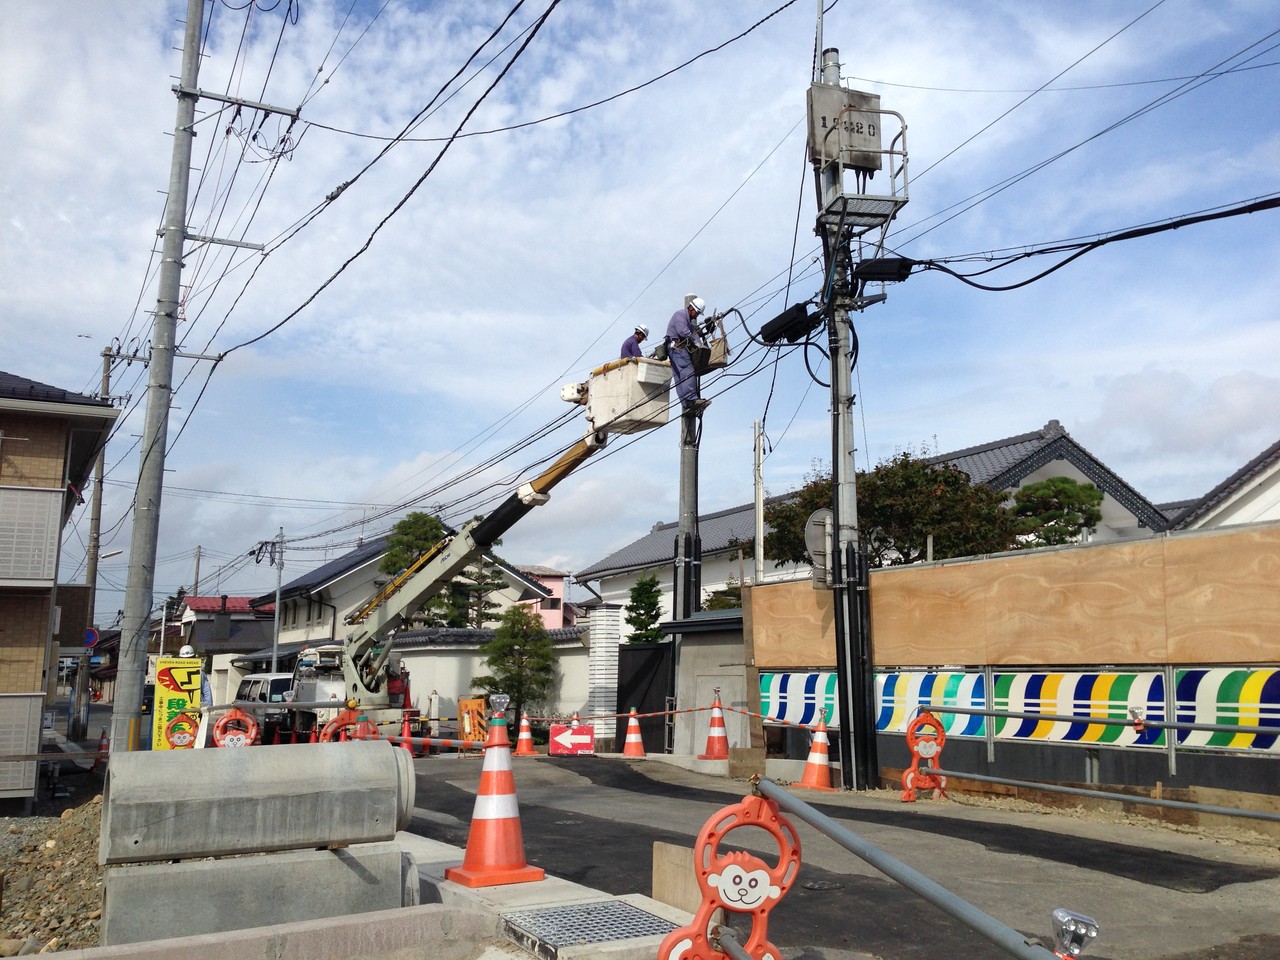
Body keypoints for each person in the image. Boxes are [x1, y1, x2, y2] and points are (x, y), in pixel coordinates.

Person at [664, 295, 710, 412]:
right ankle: (691, 399)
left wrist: (702, 340)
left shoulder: (687, 320)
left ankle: (686, 404)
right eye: (697, 313)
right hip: (677, 348)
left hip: (673, 349)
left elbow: (693, 333)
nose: (697, 316)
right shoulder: (680, 315)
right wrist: (698, 343)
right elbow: (683, 332)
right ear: (692, 309)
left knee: (679, 376)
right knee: (688, 370)